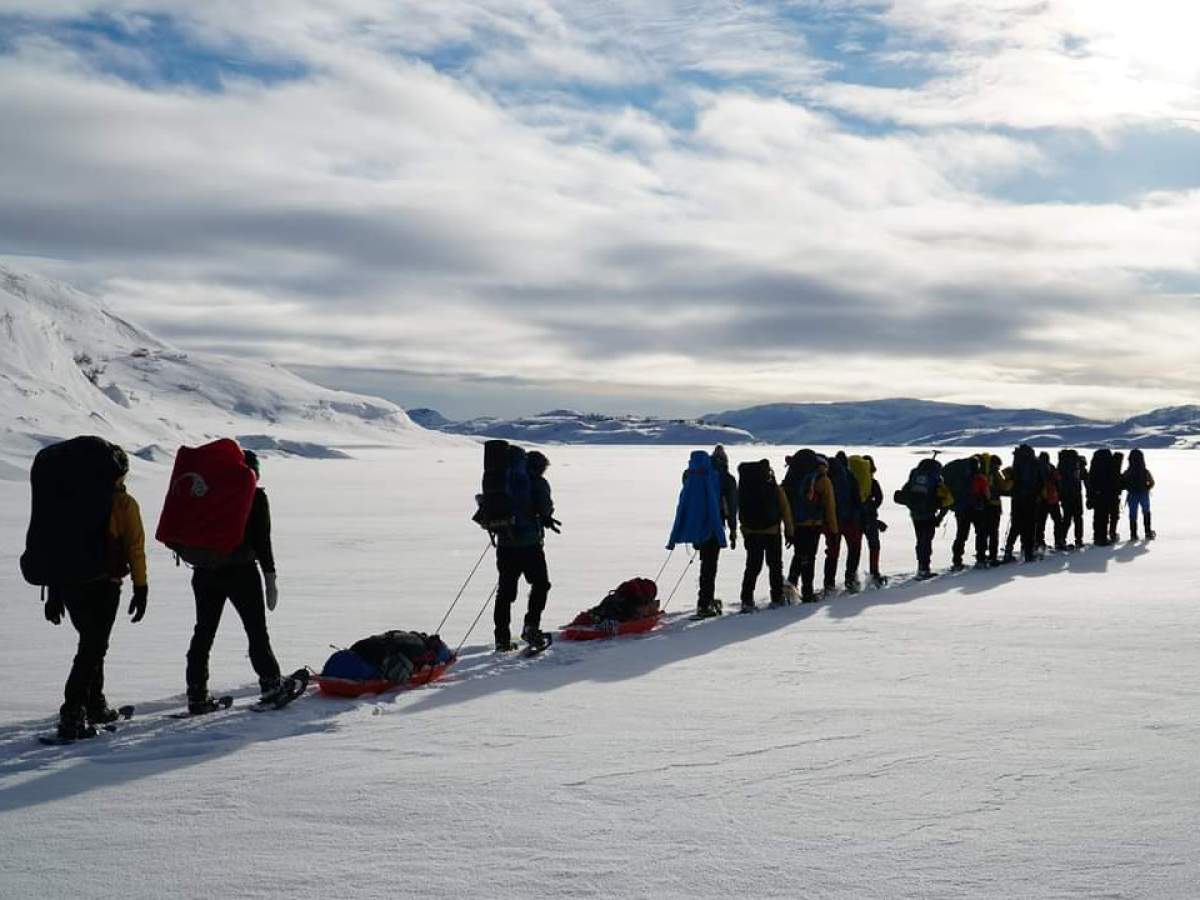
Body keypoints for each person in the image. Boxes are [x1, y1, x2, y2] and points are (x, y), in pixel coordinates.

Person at [44, 445, 148, 740]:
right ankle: (72, 712)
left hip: (70, 585)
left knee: (92, 643)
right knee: (93, 647)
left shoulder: (69, 501)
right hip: (104, 585)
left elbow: (58, 549)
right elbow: (135, 548)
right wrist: (141, 588)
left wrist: (54, 593)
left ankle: (94, 704)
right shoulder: (123, 503)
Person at [185, 449, 285, 711]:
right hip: (241, 572)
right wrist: (270, 576)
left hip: (204, 571)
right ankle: (271, 684)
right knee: (256, 631)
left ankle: (196, 694)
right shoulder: (255, 497)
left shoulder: (209, 494)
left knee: (203, 632)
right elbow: (263, 541)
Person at [493, 448, 557, 650]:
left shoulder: (502, 481)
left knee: (505, 592)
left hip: (505, 545)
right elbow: (544, 507)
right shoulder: (537, 482)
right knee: (540, 585)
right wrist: (545, 516)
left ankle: (502, 639)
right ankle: (531, 627)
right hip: (530, 545)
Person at [668, 448, 736, 618]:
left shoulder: (692, 475)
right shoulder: (724, 479)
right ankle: (704, 604)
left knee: (706, 564)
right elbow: (731, 507)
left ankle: (706, 599)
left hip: (696, 527)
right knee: (709, 567)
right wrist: (732, 529)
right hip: (713, 527)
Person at [737, 460, 794, 610]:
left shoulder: (743, 488)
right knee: (775, 566)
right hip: (772, 532)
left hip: (751, 533)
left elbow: (739, 511)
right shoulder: (774, 488)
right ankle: (777, 597)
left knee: (752, 566)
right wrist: (789, 531)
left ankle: (747, 600)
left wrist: (744, 530)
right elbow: (785, 510)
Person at [782, 449, 838, 602]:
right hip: (813, 523)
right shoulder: (822, 479)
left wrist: (788, 527)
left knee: (799, 553)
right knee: (809, 557)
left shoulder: (793, 475)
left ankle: (791, 583)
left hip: (795, 523)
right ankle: (807, 592)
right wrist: (833, 530)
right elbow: (830, 506)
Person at [894, 456, 953, 578]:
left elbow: (905, 492)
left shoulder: (914, 477)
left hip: (915, 514)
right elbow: (946, 500)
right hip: (929, 514)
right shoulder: (936, 480)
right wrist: (940, 517)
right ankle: (924, 568)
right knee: (926, 541)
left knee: (921, 540)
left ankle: (921, 566)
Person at [825, 452, 863, 592]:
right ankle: (851, 579)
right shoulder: (850, 476)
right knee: (854, 549)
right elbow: (857, 499)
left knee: (832, 552)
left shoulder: (826, 476)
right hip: (850, 520)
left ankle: (829, 583)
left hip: (832, 521)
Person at [1002, 444, 1042, 563]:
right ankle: (1028, 553)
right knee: (1029, 526)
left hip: (1017, 498)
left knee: (1015, 525)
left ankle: (1008, 551)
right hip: (1030, 498)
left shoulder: (1017, 463)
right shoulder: (1035, 464)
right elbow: (1040, 481)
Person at [860, 455, 888, 587]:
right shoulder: (872, 482)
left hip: (853, 519)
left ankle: (851, 575)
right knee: (874, 546)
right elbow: (879, 498)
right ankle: (874, 572)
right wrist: (872, 508)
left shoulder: (852, 481)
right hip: (870, 519)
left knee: (854, 548)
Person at [1123, 449, 1156, 541]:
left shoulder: (1128, 472)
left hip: (1132, 495)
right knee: (1146, 512)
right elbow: (1152, 482)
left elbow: (1123, 483)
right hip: (1143, 493)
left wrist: (1128, 487)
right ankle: (1148, 532)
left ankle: (1133, 535)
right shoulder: (1145, 471)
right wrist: (1147, 488)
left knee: (1133, 514)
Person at [1056, 449, 1086, 549]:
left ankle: (1061, 539)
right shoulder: (1077, 463)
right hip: (1076, 494)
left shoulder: (1061, 465)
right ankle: (1079, 540)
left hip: (1065, 496)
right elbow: (1084, 476)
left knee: (1067, 518)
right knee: (1078, 518)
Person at [1035, 451, 1064, 551]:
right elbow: (1058, 481)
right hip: (1053, 498)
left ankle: (1039, 542)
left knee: (1040, 522)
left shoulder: (1036, 468)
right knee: (1057, 521)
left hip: (1041, 499)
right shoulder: (1051, 467)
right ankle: (1058, 541)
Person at [983, 454, 1009, 566]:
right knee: (993, 532)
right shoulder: (995, 473)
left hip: (982, 506)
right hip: (994, 505)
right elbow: (1004, 487)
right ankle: (993, 557)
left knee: (983, 532)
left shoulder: (982, 472)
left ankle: (981, 555)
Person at [1086, 448, 1116, 546]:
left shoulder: (1095, 463)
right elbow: (1112, 478)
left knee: (1097, 516)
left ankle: (1096, 536)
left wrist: (1091, 494)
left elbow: (1090, 479)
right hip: (1107, 493)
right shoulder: (1109, 463)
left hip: (1096, 493)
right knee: (1104, 516)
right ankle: (1102, 538)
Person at [1108, 451, 1125, 543]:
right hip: (1114, 496)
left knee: (1106, 515)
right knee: (1114, 516)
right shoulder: (1117, 469)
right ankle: (1112, 533)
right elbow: (1121, 484)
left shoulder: (1107, 468)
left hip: (1105, 495)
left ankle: (1102, 534)